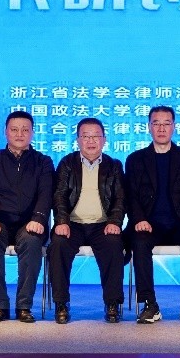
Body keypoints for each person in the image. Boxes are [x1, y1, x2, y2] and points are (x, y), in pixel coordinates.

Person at [124, 105, 180, 324]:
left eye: (166, 123)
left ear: (174, 127)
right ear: (149, 127)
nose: (161, 128)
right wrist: (139, 219)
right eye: (156, 123)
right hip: (149, 224)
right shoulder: (135, 159)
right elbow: (130, 195)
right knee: (139, 242)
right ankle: (149, 304)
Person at [0, 111, 55, 323]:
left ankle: (24, 306)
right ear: (5, 132)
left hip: (30, 223)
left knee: (32, 241)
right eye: (14, 129)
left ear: (32, 133)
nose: (19, 134)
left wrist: (38, 218)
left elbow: (46, 194)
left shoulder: (43, 162)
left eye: (25, 130)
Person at [48, 118, 127, 323]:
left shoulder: (114, 165)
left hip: (103, 224)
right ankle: (61, 303)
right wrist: (62, 221)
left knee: (114, 244)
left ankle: (112, 303)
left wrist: (114, 222)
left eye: (95, 136)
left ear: (104, 140)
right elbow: (59, 195)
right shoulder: (67, 163)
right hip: (72, 224)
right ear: (77, 140)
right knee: (58, 245)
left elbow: (120, 198)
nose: (91, 141)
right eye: (85, 136)